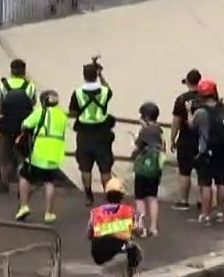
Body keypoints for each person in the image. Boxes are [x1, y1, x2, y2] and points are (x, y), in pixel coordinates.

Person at [191, 79, 224, 224]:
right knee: (220, 182)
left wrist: (188, 111)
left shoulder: (200, 112)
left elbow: (192, 126)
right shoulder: (223, 107)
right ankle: (219, 212)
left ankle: (205, 214)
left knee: (205, 184)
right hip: (223, 150)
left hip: (206, 151)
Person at [16, 90, 67, 223]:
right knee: (49, 181)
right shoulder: (62, 115)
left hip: (39, 152)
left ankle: (24, 206)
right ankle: (49, 213)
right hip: (55, 154)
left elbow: (25, 124)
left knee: (24, 175)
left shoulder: (41, 112)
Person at [69, 60, 115, 205]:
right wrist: (101, 75)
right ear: (96, 75)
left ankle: (89, 195)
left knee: (85, 166)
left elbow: (72, 112)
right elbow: (109, 89)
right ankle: (108, 195)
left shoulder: (77, 93)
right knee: (105, 167)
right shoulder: (104, 91)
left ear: (84, 75)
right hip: (102, 132)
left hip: (84, 133)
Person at [0, 59, 36, 194]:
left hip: (6, 128)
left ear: (11, 71)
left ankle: (4, 184)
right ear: (24, 71)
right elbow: (33, 103)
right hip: (24, 128)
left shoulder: (3, 86)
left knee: (4, 157)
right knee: (23, 157)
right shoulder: (30, 86)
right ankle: (21, 186)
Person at [87, 178, 142, 276]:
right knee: (136, 250)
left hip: (98, 253)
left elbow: (89, 232)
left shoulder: (96, 212)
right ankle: (129, 271)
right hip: (119, 249)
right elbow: (138, 230)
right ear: (122, 196)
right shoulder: (128, 211)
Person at [170, 69, 204, 211]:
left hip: (185, 139)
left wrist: (172, 138)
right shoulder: (206, 98)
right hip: (202, 139)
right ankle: (203, 199)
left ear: (188, 82)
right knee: (203, 172)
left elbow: (176, 122)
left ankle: (184, 200)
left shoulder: (181, 99)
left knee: (184, 171)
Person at [132, 101, 163, 236]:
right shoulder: (159, 130)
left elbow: (137, 147)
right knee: (152, 197)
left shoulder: (145, 131)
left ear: (145, 116)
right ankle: (154, 227)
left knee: (140, 198)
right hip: (155, 169)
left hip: (143, 169)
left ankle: (141, 226)